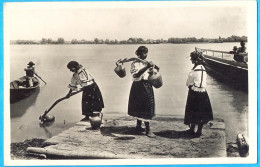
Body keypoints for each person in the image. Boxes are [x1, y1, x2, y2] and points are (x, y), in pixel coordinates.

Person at [119, 46, 156, 138]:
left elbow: (152, 74)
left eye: (147, 53)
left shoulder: (146, 63)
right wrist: (147, 66)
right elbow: (136, 75)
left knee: (146, 106)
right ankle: (146, 129)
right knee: (141, 106)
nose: (146, 55)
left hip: (147, 85)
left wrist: (152, 70)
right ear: (139, 54)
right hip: (138, 86)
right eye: (144, 53)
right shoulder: (135, 63)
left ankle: (140, 127)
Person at [184, 51, 213, 137]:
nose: (190, 60)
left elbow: (188, 83)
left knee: (192, 110)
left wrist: (190, 86)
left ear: (194, 60)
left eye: (191, 58)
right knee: (202, 112)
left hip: (194, 93)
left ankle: (192, 129)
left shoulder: (193, 70)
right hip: (203, 92)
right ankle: (199, 131)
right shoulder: (204, 69)